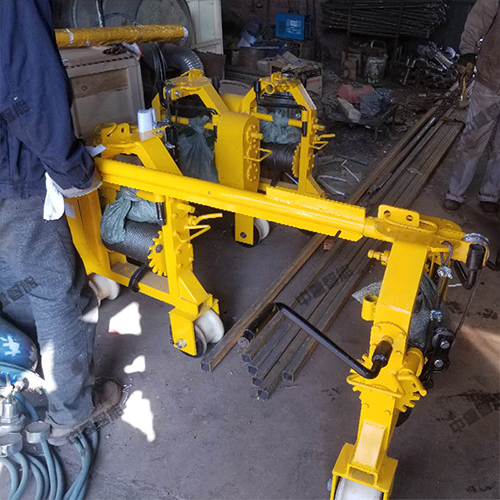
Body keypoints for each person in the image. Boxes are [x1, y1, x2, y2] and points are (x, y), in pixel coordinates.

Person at [0, 0, 121, 445]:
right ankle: (72, 412)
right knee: (59, 291)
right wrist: (71, 167)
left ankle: (25, 365)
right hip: (9, 174)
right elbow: (26, 88)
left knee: (12, 272)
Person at [444, 0, 500, 214]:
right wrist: (468, 50)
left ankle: (490, 195)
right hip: (491, 81)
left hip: (491, 78)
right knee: (473, 139)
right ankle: (455, 193)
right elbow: (479, 17)